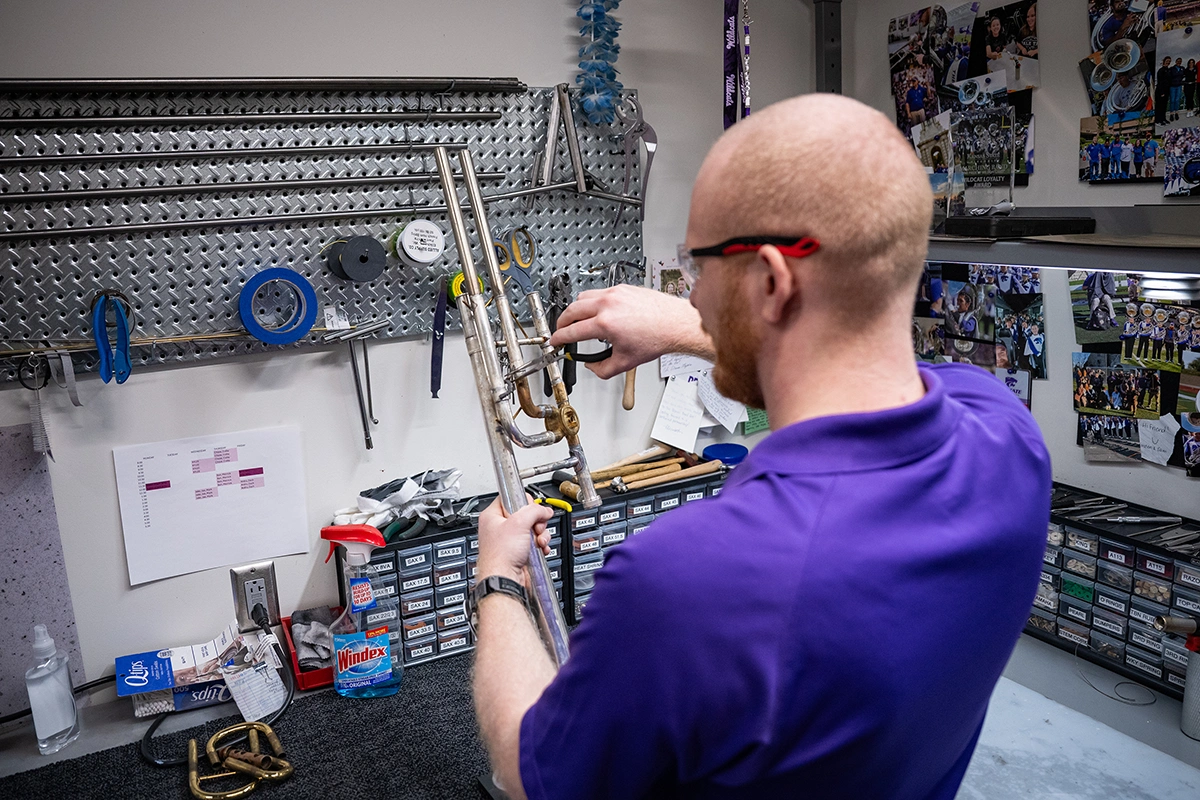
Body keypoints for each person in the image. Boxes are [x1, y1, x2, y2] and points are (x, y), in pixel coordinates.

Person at [470, 94, 1052, 800]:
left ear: (774, 282)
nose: (694, 294)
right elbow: (851, 360)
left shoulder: (687, 579)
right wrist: (693, 327)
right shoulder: (1006, 432)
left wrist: (498, 580)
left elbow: (529, 773)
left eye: (699, 267)